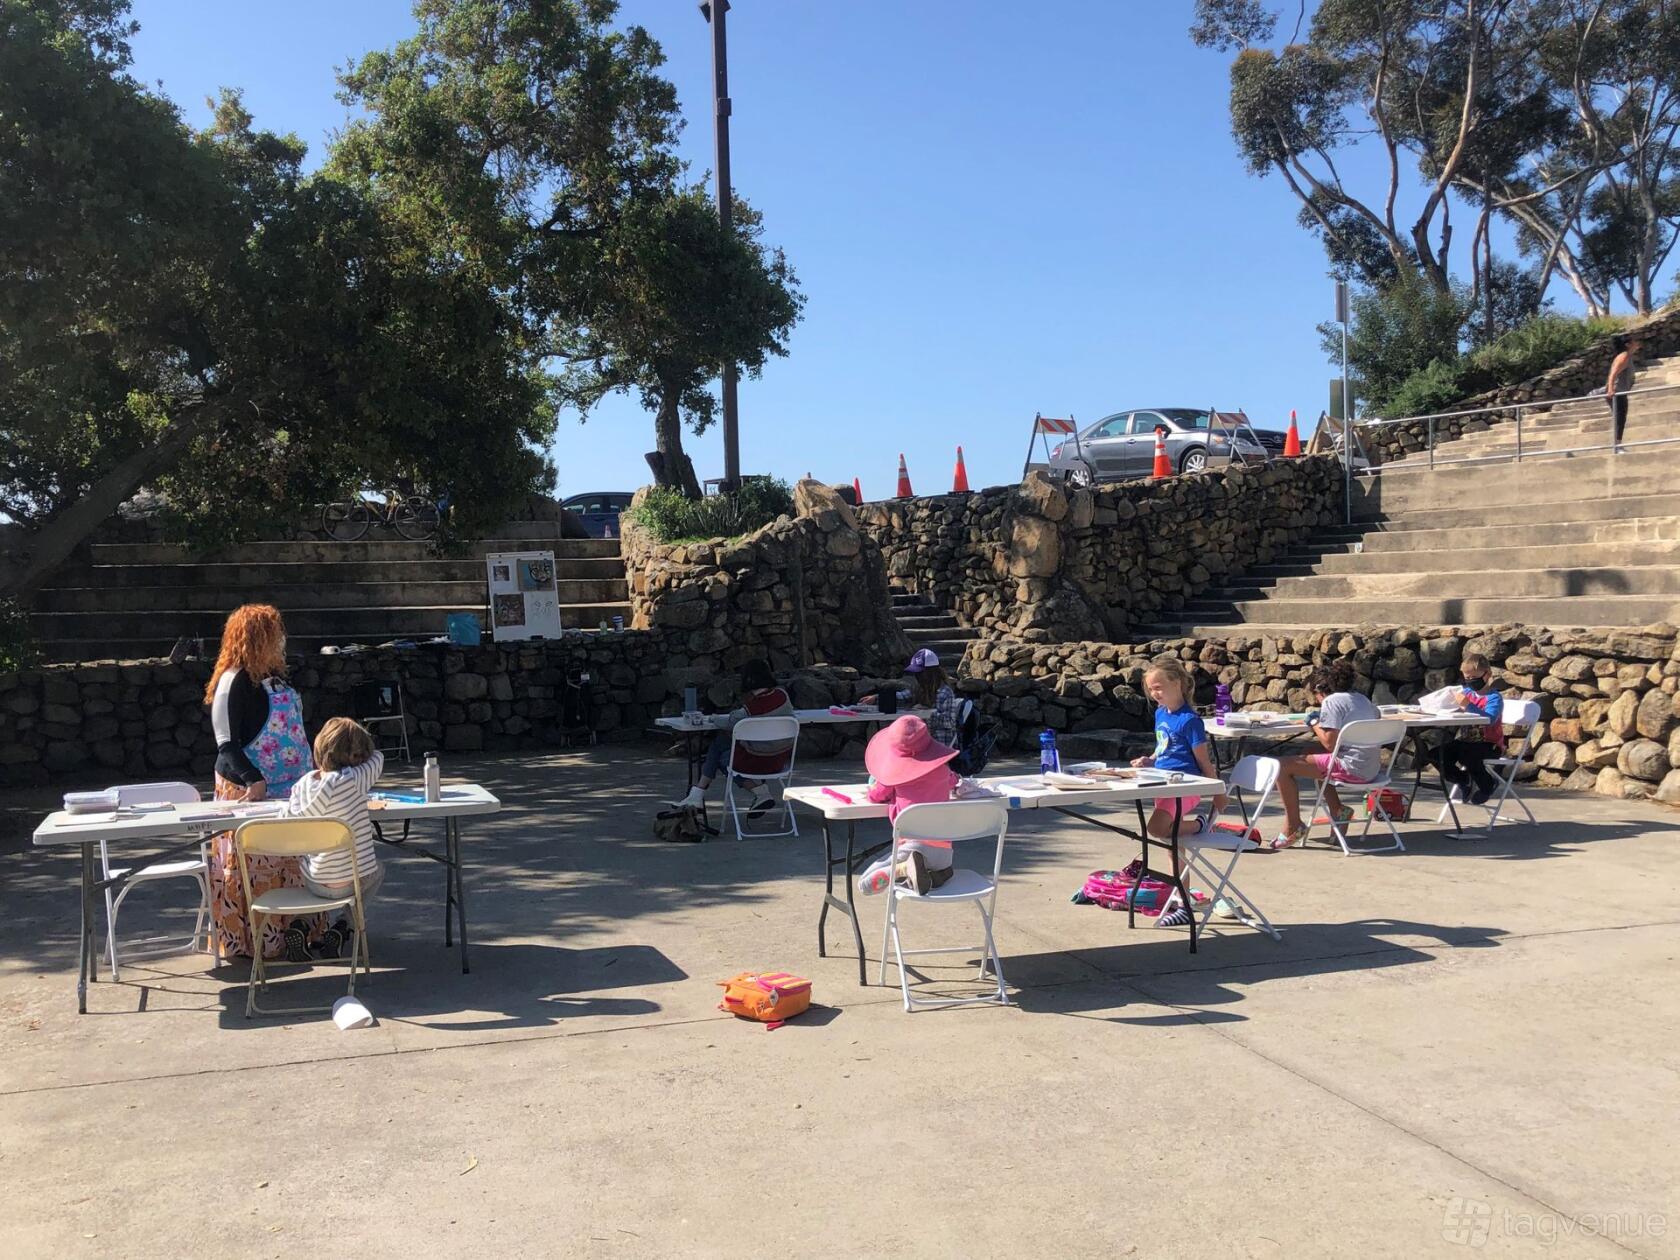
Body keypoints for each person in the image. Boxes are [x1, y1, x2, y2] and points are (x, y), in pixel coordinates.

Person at [202, 603, 322, 961]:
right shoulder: (232, 681)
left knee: (292, 865)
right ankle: (257, 941)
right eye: (275, 633)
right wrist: (254, 781)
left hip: (293, 792)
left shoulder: (276, 679)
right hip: (251, 794)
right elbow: (226, 745)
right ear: (256, 638)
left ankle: (299, 932)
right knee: (253, 868)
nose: (282, 640)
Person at [281, 717, 385, 959]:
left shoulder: (302, 785)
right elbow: (378, 758)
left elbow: (287, 816)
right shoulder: (355, 779)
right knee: (378, 870)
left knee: (316, 875)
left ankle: (302, 924)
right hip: (354, 880)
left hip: (316, 880)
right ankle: (344, 926)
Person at [1271, 661, 1383, 849]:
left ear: (1320, 689)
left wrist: (1315, 722)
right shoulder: (1362, 699)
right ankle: (1337, 809)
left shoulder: (1332, 701)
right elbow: (1376, 715)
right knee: (1310, 754)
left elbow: (1330, 743)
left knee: (1281, 766)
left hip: (1352, 769)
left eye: (1315, 695)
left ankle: (1293, 825)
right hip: (1371, 768)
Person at [857, 714, 961, 896]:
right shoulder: (943, 770)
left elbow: (876, 796)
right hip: (944, 851)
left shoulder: (895, 775)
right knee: (932, 865)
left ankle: (903, 869)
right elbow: (953, 781)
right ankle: (937, 873)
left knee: (864, 885)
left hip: (912, 845)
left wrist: (872, 789)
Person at [675, 660, 795, 814]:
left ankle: (699, 794)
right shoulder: (782, 696)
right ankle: (698, 794)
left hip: (754, 762)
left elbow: (731, 721)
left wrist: (713, 718)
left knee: (722, 755)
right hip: (779, 761)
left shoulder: (750, 709)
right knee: (721, 745)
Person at [1434, 652, 1505, 804]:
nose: (1470, 681)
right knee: (1436, 755)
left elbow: (1489, 719)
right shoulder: (1466, 693)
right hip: (1466, 740)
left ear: (1487, 675)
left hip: (1489, 744)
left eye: (1474, 678)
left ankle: (1487, 785)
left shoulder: (1494, 698)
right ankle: (1463, 780)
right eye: (1467, 678)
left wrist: (1467, 705)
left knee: (1468, 756)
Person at [862, 648, 963, 748]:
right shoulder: (919, 688)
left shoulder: (945, 692)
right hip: (921, 739)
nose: (917, 676)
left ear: (930, 672)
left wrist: (927, 713)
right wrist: (876, 697)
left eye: (920, 672)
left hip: (939, 742)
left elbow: (949, 722)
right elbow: (902, 696)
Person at [1606, 333, 1644, 454]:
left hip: (1621, 391)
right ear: (1628, 344)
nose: (1636, 343)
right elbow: (1613, 373)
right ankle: (1617, 446)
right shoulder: (1624, 357)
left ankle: (1618, 445)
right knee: (1620, 418)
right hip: (1617, 392)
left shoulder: (1627, 356)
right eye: (1634, 341)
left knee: (1621, 418)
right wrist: (1611, 389)